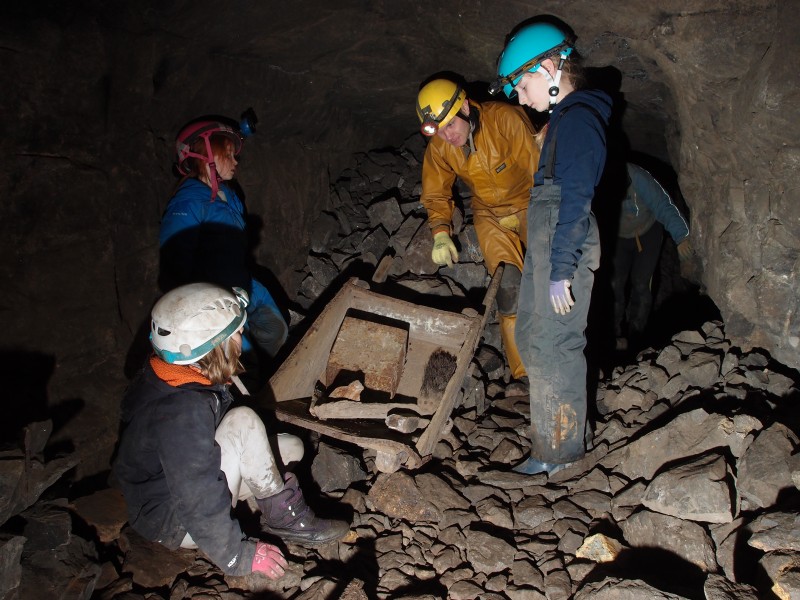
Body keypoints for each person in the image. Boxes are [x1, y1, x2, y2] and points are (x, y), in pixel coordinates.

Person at [113, 283, 349, 579]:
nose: (242, 336)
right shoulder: (182, 411)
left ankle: (267, 507)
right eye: (236, 333)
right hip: (175, 520)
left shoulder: (175, 372)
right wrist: (238, 555)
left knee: (291, 448)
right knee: (244, 421)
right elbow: (195, 493)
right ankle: (286, 519)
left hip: (174, 492)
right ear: (216, 345)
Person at [490, 21, 612, 475]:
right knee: (533, 337)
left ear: (549, 67)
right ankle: (551, 445)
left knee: (557, 341)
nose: (521, 98)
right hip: (551, 235)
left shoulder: (579, 118)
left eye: (523, 84)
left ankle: (561, 456)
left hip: (566, 239)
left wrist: (562, 265)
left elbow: (577, 196)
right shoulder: (565, 120)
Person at [416, 78, 540, 389]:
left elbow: (541, 169)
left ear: (466, 107)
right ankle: (524, 375)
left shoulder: (505, 120)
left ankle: (560, 358)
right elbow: (435, 192)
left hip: (531, 202)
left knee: (549, 276)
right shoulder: (442, 145)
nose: (448, 135)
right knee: (508, 287)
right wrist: (441, 231)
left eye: (450, 125)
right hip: (489, 213)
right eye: (440, 129)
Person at [159, 118, 288, 389]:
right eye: (227, 154)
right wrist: (201, 319)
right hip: (216, 302)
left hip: (242, 284)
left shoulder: (229, 195)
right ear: (206, 156)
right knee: (241, 363)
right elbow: (174, 265)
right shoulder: (189, 201)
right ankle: (246, 400)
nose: (235, 161)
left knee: (276, 329)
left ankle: (269, 378)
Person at [612, 161, 692, 351]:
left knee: (641, 283)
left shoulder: (639, 178)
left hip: (647, 233)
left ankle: (636, 336)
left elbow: (662, 205)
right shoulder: (599, 176)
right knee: (614, 285)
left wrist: (682, 237)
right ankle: (614, 336)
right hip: (618, 237)